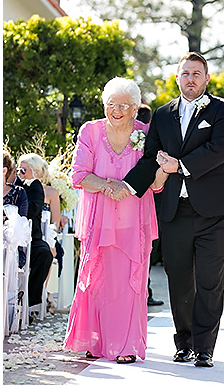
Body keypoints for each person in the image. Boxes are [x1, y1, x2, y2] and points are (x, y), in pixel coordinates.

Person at [119, 52, 224, 368]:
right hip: (174, 211)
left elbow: (220, 149)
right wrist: (126, 187)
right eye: (186, 73)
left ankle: (205, 348)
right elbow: (149, 158)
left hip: (213, 212)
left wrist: (180, 165)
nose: (191, 78)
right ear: (177, 77)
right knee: (179, 280)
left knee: (211, 281)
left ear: (207, 78)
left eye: (197, 73)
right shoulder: (161, 115)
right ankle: (183, 343)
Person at [64, 77, 170, 364]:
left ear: (136, 108)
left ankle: (126, 346)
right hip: (99, 220)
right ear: (104, 105)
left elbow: (155, 184)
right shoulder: (90, 131)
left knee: (129, 285)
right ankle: (95, 342)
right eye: (112, 104)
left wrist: (163, 168)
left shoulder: (146, 134)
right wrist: (108, 186)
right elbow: (79, 175)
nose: (117, 110)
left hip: (133, 221)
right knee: (96, 281)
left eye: (124, 104)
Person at [136, 104, 164, 307]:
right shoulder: (152, 138)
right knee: (147, 249)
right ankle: (145, 290)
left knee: (144, 249)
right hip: (150, 202)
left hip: (146, 199)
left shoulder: (143, 138)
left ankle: (145, 290)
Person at [15, 154, 51, 308]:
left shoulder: (33, 186)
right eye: (17, 169)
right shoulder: (9, 185)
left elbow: (33, 209)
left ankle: (28, 300)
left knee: (44, 254)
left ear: (35, 172)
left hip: (30, 238)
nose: (19, 173)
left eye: (23, 170)